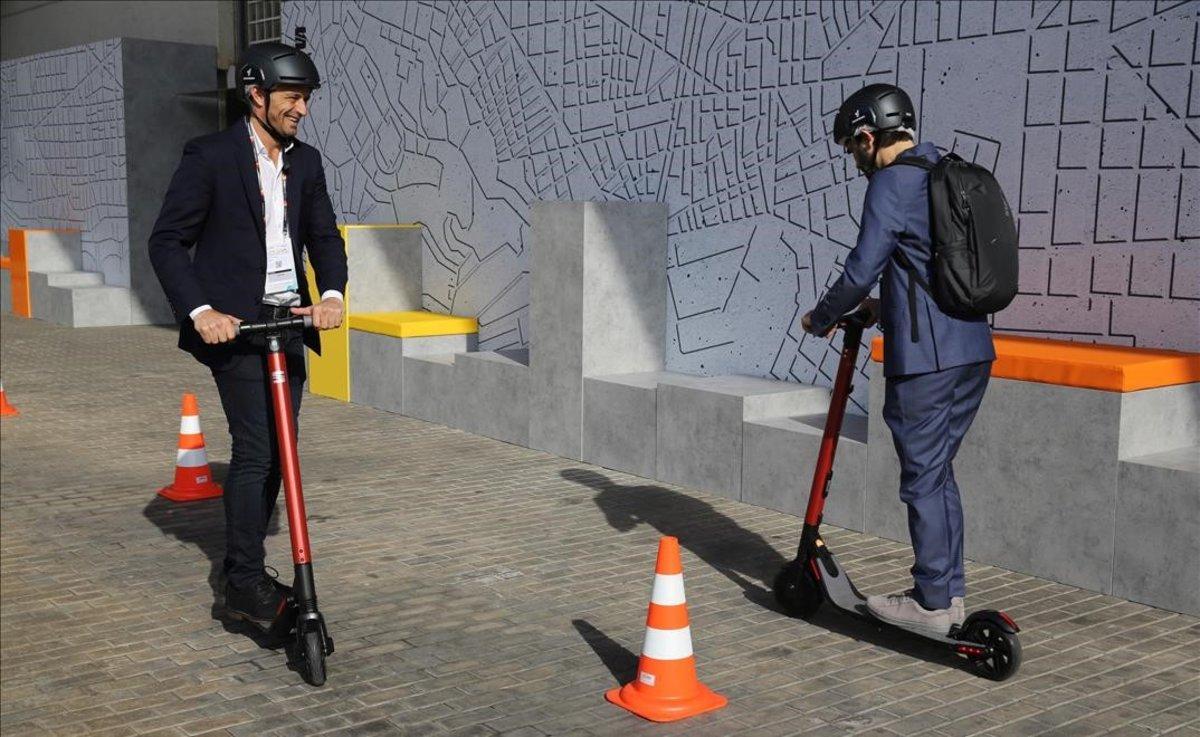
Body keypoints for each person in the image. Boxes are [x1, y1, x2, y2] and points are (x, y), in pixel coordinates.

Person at [149, 37, 347, 626]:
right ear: (256, 95)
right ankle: (241, 579)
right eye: (292, 97)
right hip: (238, 330)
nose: (302, 109)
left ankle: (249, 569)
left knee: (280, 456)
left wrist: (332, 293)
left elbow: (324, 236)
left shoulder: (305, 162)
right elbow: (166, 242)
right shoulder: (209, 156)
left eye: (306, 98)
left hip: (289, 324)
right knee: (258, 451)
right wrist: (200, 310)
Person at [802, 84, 995, 637]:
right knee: (938, 475)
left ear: (868, 136)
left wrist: (822, 316)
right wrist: (878, 307)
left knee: (922, 479)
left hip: (927, 362)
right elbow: (933, 271)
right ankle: (949, 594)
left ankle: (932, 602)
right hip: (972, 351)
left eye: (851, 147)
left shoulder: (893, 181)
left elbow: (863, 266)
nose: (854, 159)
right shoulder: (944, 170)